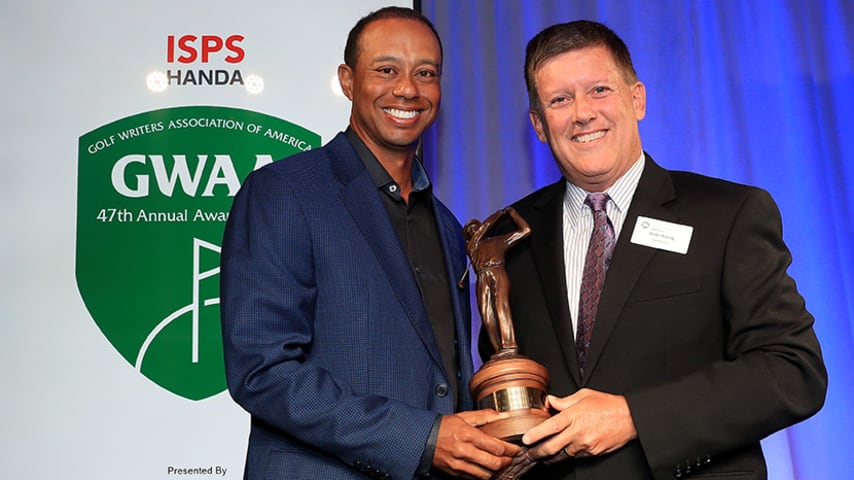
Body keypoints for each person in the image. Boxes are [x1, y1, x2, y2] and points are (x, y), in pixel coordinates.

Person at [483, 20, 827, 479]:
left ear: (637, 99)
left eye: (599, 90)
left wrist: (634, 416)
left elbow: (793, 372)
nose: (582, 113)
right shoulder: (508, 236)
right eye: (560, 100)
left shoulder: (727, 214)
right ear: (539, 125)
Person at [220, 7, 519, 480]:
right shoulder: (285, 191)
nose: (407, 89)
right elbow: (264, 370)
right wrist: (421, 439)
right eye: (386, 70)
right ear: (347, 80)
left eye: (426, 73)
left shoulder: (445, 224)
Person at [461, 207, 531, 356]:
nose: (473, 230)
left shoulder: (498, 241)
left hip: (497, 272)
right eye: (469, 230)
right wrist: (498, 215)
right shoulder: (472, 246)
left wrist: (513, 213)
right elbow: (485, 227)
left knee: (501, 308)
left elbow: (525, 230)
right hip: (482, 277)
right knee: (487, 316)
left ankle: (509, 346)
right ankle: (498, 349)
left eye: (475, 227)